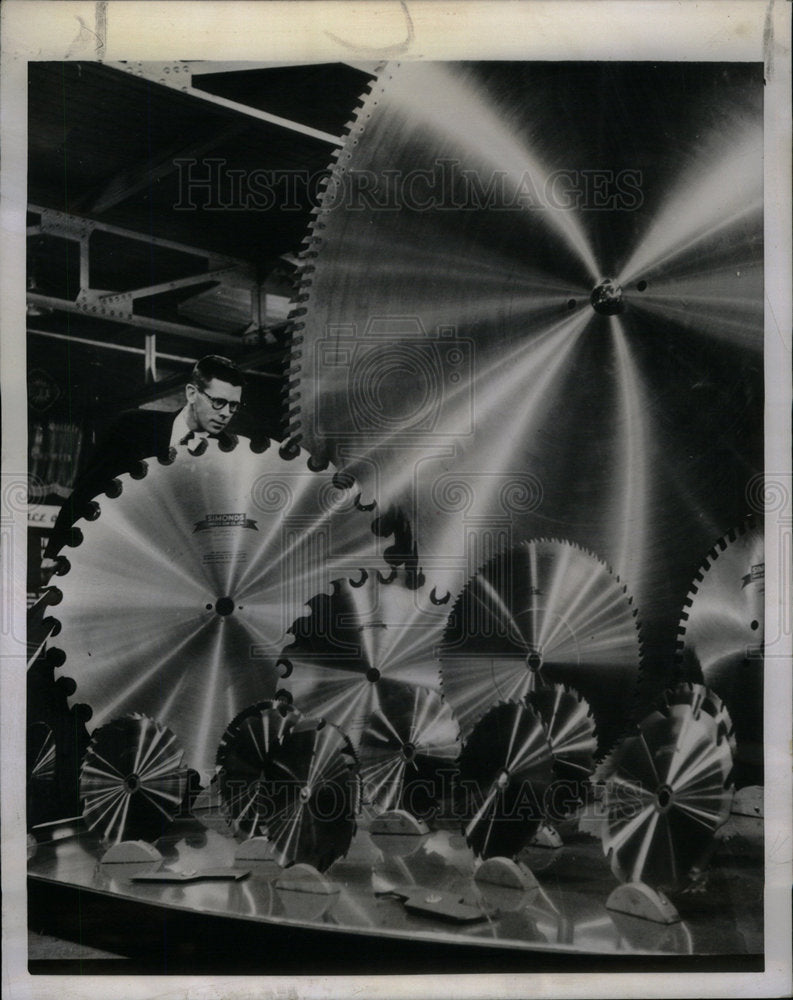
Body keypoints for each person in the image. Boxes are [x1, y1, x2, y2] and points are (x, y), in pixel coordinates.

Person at [44, 355, 245, 560]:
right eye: (219, 402)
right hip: (117, 556)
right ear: (192, 393)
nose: (226, 413)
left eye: (234, 406)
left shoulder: (231, 454)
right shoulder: (133, 427)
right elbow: (85, 493)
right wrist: (52, 556)